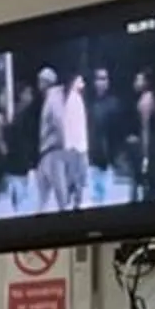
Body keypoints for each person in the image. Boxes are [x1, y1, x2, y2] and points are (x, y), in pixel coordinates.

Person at [87, 64, 128, 204]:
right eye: (99, 79)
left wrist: (117, 155)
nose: (102, 82)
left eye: (104, 79)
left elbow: (118, 132)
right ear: (94, 82)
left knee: (107, 199)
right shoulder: (89, 105)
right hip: (92, 160)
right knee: (94, 199)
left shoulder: (114, 104)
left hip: (108, 161)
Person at [34, 66, 68, 211]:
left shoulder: (54, 99)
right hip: (46, 153)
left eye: (40, 80)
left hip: (53, 151)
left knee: (60, 194)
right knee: (42, 194)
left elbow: (60, 122)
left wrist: (63, 145)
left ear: (46, 81)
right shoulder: (50, 98)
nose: (38, 83)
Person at [132, 69, 155, 195]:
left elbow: (145, 129)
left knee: (152, 185)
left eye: (139, 80)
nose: (135, 83)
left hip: (152, 150)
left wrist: (145, 157)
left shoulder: (145, 102)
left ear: (146, 83)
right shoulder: (150, 99)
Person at [60, 72, 90, 211]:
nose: (83, 84)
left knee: (78, 176)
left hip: (78, 145)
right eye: (80, 81)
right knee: (75, 176)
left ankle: (75, 200)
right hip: (75, 146)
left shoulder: (76, 99)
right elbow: (71, 125)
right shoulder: (73, 100)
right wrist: (74, 146)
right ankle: (74, 201)